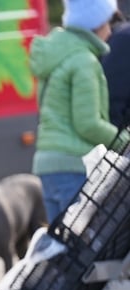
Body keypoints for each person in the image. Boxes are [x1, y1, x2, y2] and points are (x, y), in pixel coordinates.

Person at [30, 0, 128, 223]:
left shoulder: (56, 54)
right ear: (98, 24)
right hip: (74, 164)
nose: (110, 30)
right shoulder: (84, 61)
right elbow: (88, 124)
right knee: (82, 240)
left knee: (60, 241)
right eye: (108, 22)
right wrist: (123, 140)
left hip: (46, 163)